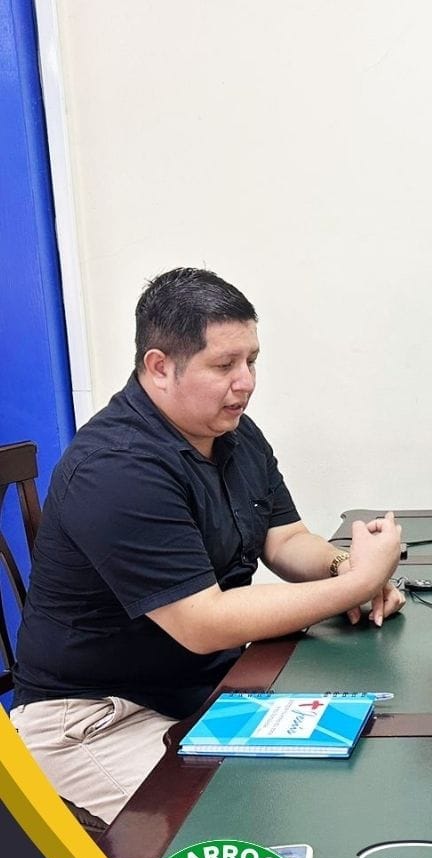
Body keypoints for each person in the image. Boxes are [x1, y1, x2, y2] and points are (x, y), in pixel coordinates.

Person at [12, 268, 406, 824]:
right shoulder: (116, 467)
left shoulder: (233, 432)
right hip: (95, 719)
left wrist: (343, 563)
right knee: (226, 832)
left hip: (203, 689)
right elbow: (203, 623)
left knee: (345, 772)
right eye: (224, 365)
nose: (245, 382)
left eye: (252, 361)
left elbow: (285, 538)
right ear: (159, 367)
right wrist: (361, 580)